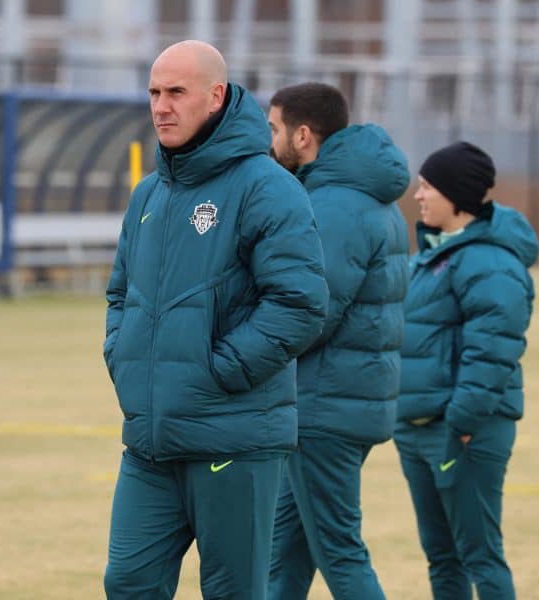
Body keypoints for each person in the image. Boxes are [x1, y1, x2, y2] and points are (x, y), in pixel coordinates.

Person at [102, 41, 329, 600]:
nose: (161, 106)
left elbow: (299, 303)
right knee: (127, 583)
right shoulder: (149, 194)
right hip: (151, 444)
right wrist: (123, 357)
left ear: (216, 95)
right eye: (154, 92)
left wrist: (218, 370)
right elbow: (119, 295)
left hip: (234, 442)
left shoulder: (267, 187)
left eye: (176, 92)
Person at [265, 82, 410, 600]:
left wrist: (250, 353)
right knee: (281, 556)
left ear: (302, 136)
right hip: (340, 403)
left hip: (323, 410)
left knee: (341, 554)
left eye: (274, 128)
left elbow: (311, 311)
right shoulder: (361, 198)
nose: (270, 139)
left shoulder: (335, 206)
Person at [395, 141, 538, 599]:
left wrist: (463, 421)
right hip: (418, 431)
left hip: (465, 432)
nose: (418, 195)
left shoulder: (490, 260)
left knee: (480, 556)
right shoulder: (431, 254)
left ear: (457, 196)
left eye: (428, 186)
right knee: (442, 557)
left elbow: (493, 350)